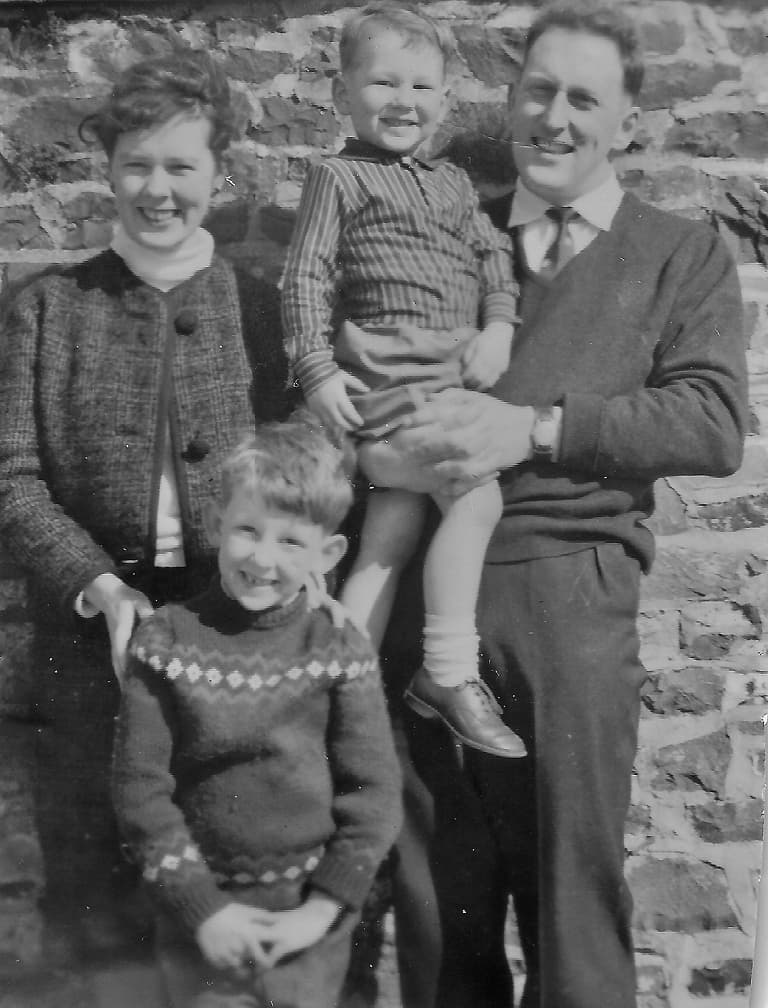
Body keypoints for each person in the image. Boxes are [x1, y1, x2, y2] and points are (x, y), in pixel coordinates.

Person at [360, 4, 750, 1007]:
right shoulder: (449, 224)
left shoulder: (681, 253)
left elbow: (709, 422)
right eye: (539, 91)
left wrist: (533, 430)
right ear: (511, 98)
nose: (556, 117)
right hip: (426, 613)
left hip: (572, 610)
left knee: (576, 919)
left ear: (630, 123)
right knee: (439, 919)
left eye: (585, 98)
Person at [0, 49, 293, 966]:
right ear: (108, 169)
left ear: (221, 173)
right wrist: (97, 585)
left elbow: (298, 469)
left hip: (231, 637)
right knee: (94, 897)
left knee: (223, 881)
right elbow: (10, 475)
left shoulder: (259, 307)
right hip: (87, 646)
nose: (156, 189)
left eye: (180, 166)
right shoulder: (48, 308)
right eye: (136, 165)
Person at [282, 1, 524, 759]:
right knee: (474, 489)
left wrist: (500, 326)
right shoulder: (338, 178)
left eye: (422, 88)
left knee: (390, 533)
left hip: (448, 383)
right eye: (384, 82)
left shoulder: (452, 185)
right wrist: (317, 370)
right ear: (342, 94)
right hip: (385, 385)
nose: (404, 102)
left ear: (446, 102)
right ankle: (448, 672)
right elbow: (304, 277)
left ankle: (329, 693)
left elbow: (493, 260)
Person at [111, 413, 402, 1008]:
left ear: (329, 552)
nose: (263, 558)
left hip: (307, 926)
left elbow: (373, 794)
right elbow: (140, 793)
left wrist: (322, 909)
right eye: (248, 530)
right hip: (202, 922)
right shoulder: (166, 641)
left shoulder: (338, 649)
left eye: (291, 540)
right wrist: (204, 911)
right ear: (217, 523)